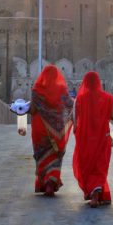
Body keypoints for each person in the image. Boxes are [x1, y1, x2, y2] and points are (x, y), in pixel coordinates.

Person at [72, 71, 113, 208]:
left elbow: (74, 120)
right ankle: (96, 191)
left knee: (86, 165)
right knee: (99, 165)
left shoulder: (80, 99)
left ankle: (93, 193)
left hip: (85, 139)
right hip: (102, 139)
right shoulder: (108, 98)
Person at [28, 65, 74, 196]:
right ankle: (51, 182)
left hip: (40, 129)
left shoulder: (37, 90)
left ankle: (44, 183)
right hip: (56, 130)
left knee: (42, 155)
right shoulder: (62, 90)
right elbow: (70, 106)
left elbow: (32, 110)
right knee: (54, 154)